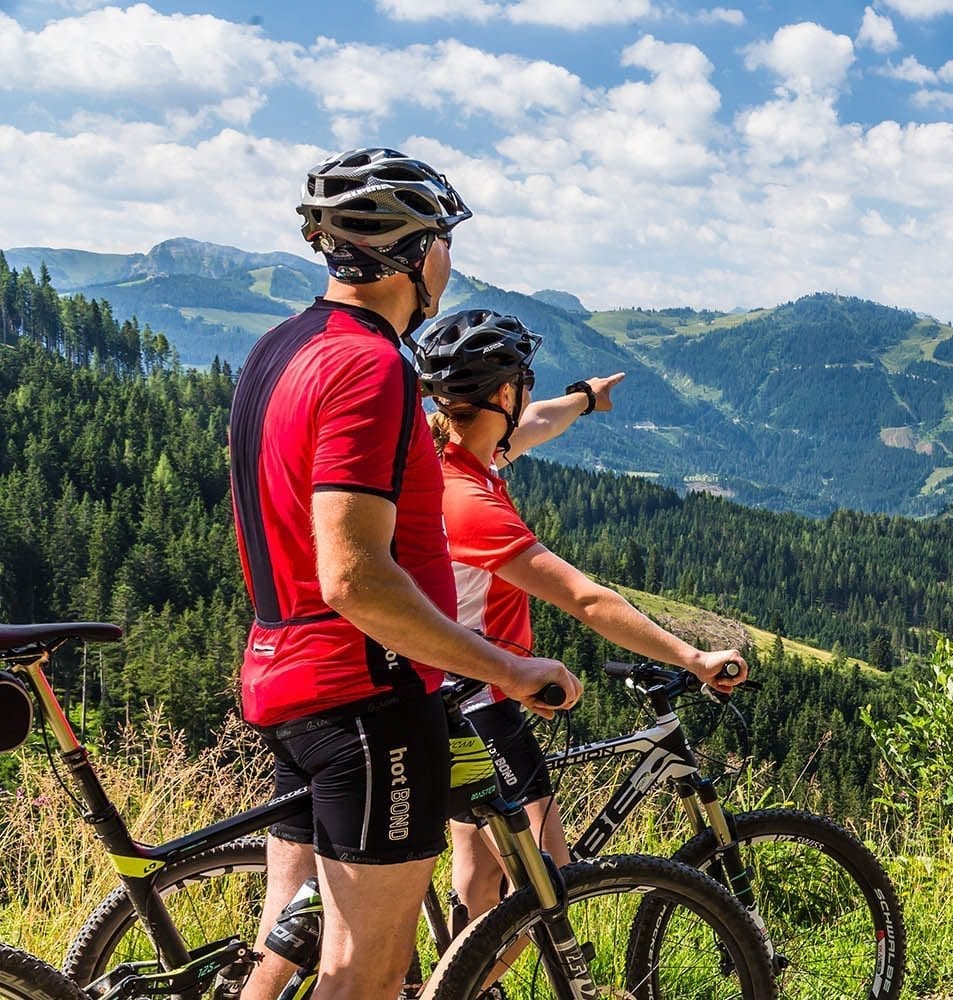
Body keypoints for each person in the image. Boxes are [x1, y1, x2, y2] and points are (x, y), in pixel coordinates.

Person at [227, 148, 583, 1000]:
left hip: (284, 677)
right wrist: (504, 666)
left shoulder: (280, 349)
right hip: (366, 697)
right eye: (445, 243)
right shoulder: (372, 366)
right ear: (416, 253)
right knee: (367, 969)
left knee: (287, 956)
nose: (449, 263)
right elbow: (355, 575)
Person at [413, 307, 749, 927]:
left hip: (452, 694)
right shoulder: (470, 501)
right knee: (547, 894)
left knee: (483, 881)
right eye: (525, 383)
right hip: (483, 700)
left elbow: (533, 426)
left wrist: (584, 400)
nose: (529, 398)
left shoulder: (447, 455)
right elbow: (588, 600)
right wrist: (693, 658)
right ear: (505, 393)